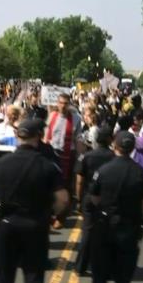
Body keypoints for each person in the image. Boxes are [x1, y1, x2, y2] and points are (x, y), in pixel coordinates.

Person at [0, 119, 68, 283]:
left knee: (3, 275)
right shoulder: (47, 166)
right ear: (38, 137)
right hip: (35, 224)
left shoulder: (1, 163)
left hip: (6, 223)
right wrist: (51, 214)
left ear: (18, 136)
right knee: (33, 275)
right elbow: (63, 199)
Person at [83, 131, 143, 283]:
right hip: (128, 230)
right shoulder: (140, 173)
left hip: (104, 228)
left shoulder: (103, 170)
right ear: (132, 149)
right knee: (123, 281)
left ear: (115, 146)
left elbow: (93, 199)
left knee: (99, 278)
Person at [74, 127, 116, 276]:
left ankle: (80, 266)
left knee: (88, 232)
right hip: (107, 200)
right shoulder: (114, 157)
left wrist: (79, 200)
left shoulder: (86, 156)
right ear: (110, 140)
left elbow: (79, 180)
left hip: (89, 197)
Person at [45, 94, 83, 227]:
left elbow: (78, 138)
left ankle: (60, 217)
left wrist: (80, 157)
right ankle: (49, 214)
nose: (63, 106)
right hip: (52, 152)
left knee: (64, 186)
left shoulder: (76, 118)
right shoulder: (52, 116)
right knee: (49, 185)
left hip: (68, 155)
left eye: (66, 103)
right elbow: (46, 135)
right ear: (57, 103)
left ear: (69, 104)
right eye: (61, 103)